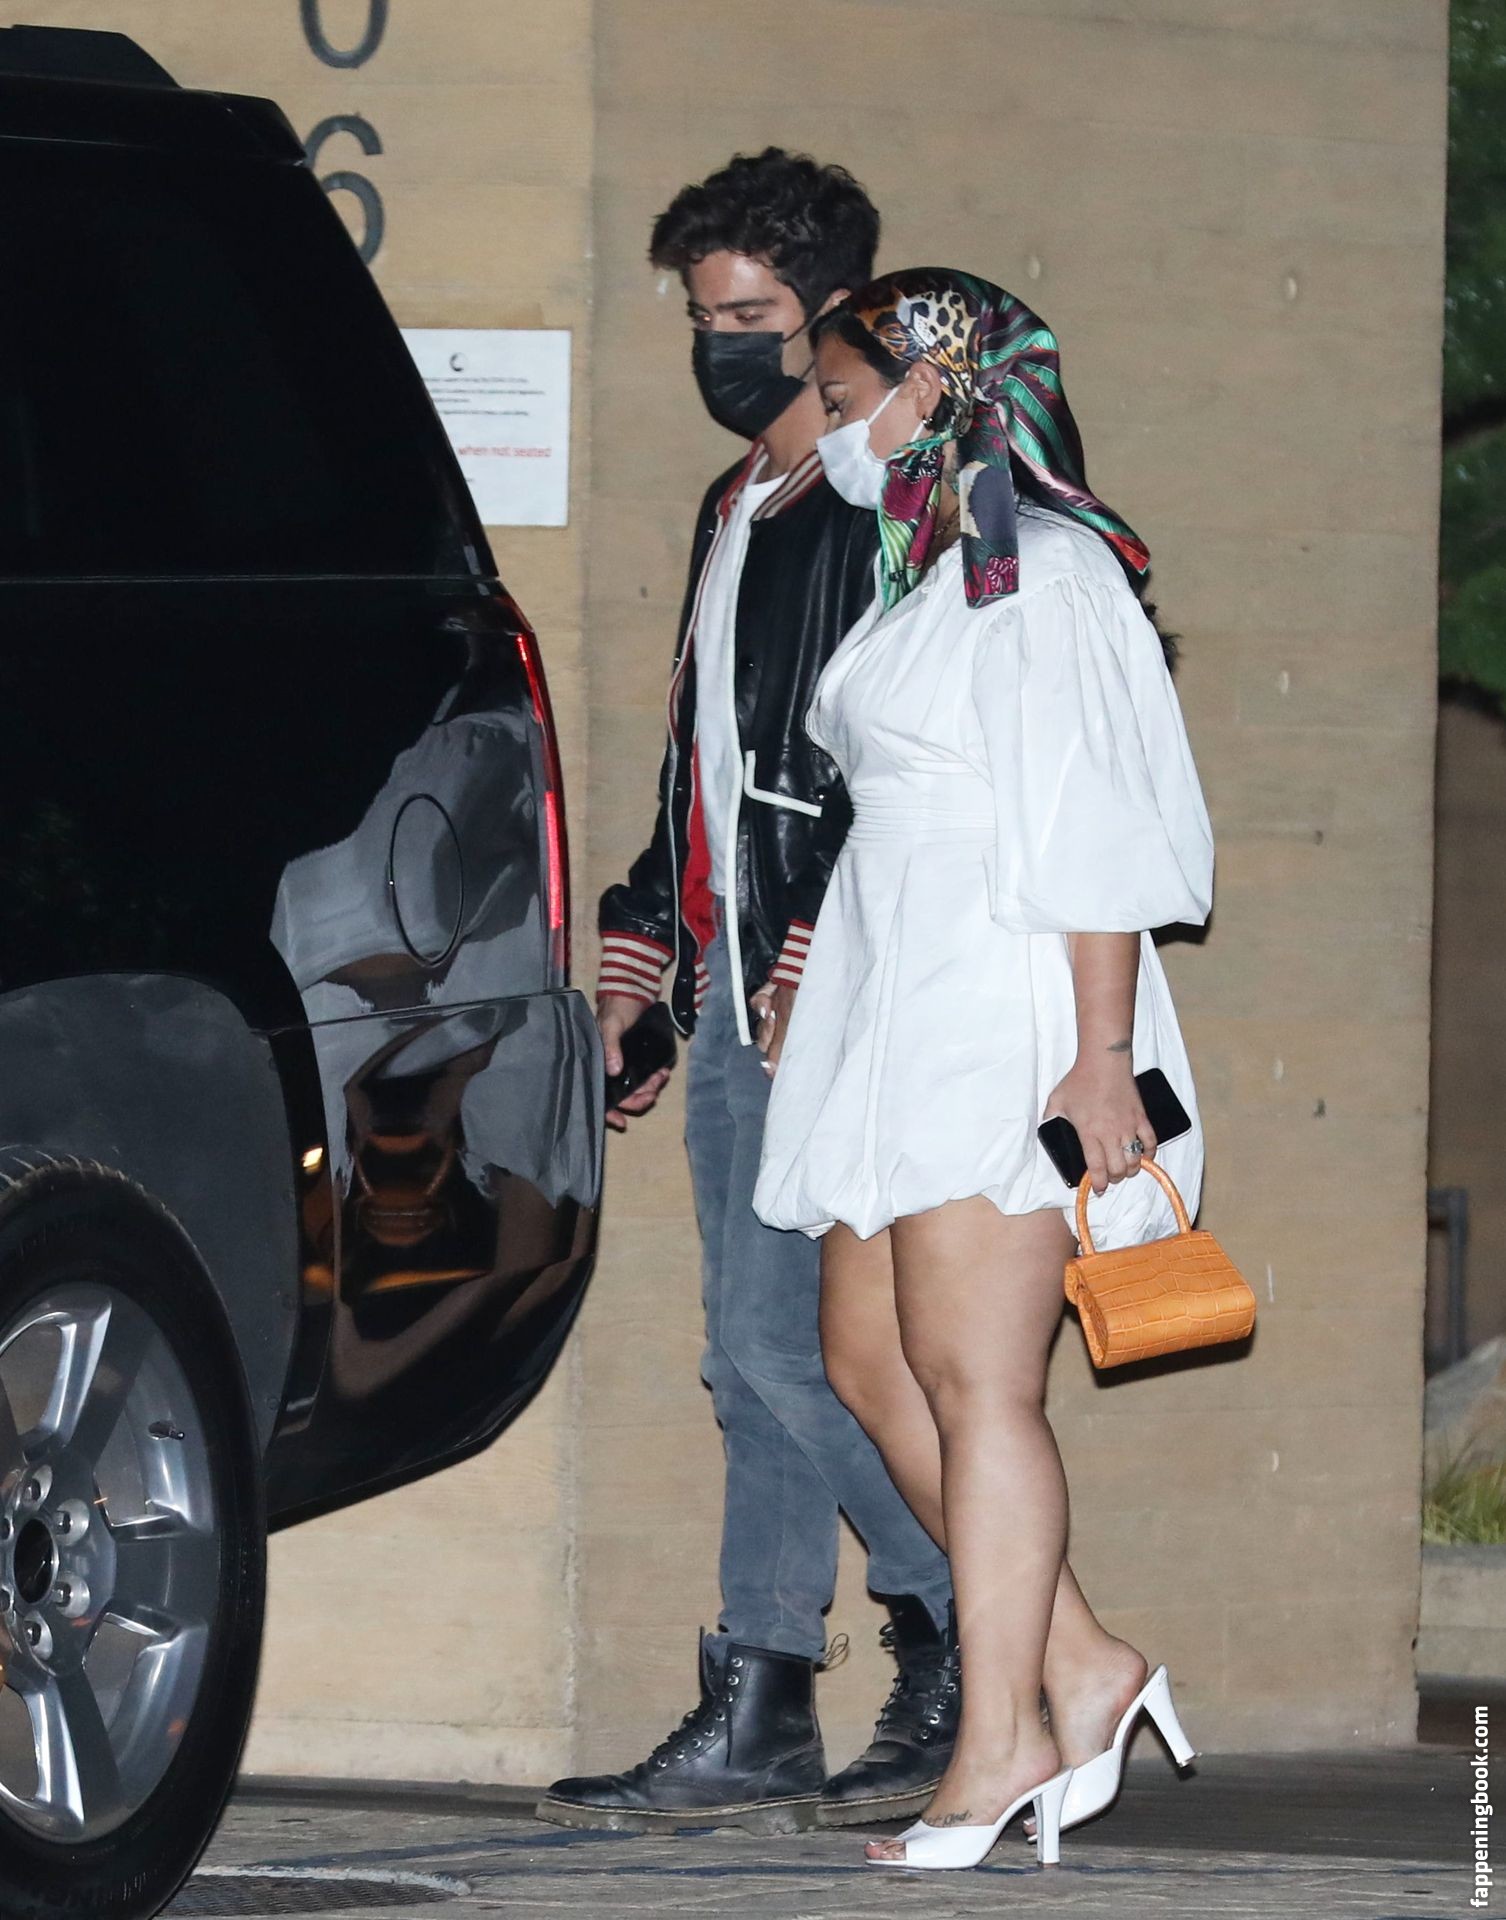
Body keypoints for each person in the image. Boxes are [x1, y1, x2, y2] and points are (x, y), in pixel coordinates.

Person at [752, 269, 1214, 1870]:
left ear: (934, 389)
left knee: (974, 1379)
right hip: (896, 988)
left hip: (999, 998)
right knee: (870, 1363)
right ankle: (1082, 1665)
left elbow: (1090, 833)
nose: (828, 429)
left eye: (840, 397)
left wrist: (1099, 1060)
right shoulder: (938, 568)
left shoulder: (1046, 573)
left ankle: (1001, 1733)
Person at [537, 157, 957, 1838]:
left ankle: (967, 1630)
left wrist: (808, 956)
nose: (721, 346)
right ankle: (765, 1696)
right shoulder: (739, 506)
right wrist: (641, 955)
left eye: (753, 317)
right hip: (730, 992)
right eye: (703, 316)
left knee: (790, 1350)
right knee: (746, 1361)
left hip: (820, 989)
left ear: (834, 314)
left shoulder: (874, 513)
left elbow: (889, 768)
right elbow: (704, 772)